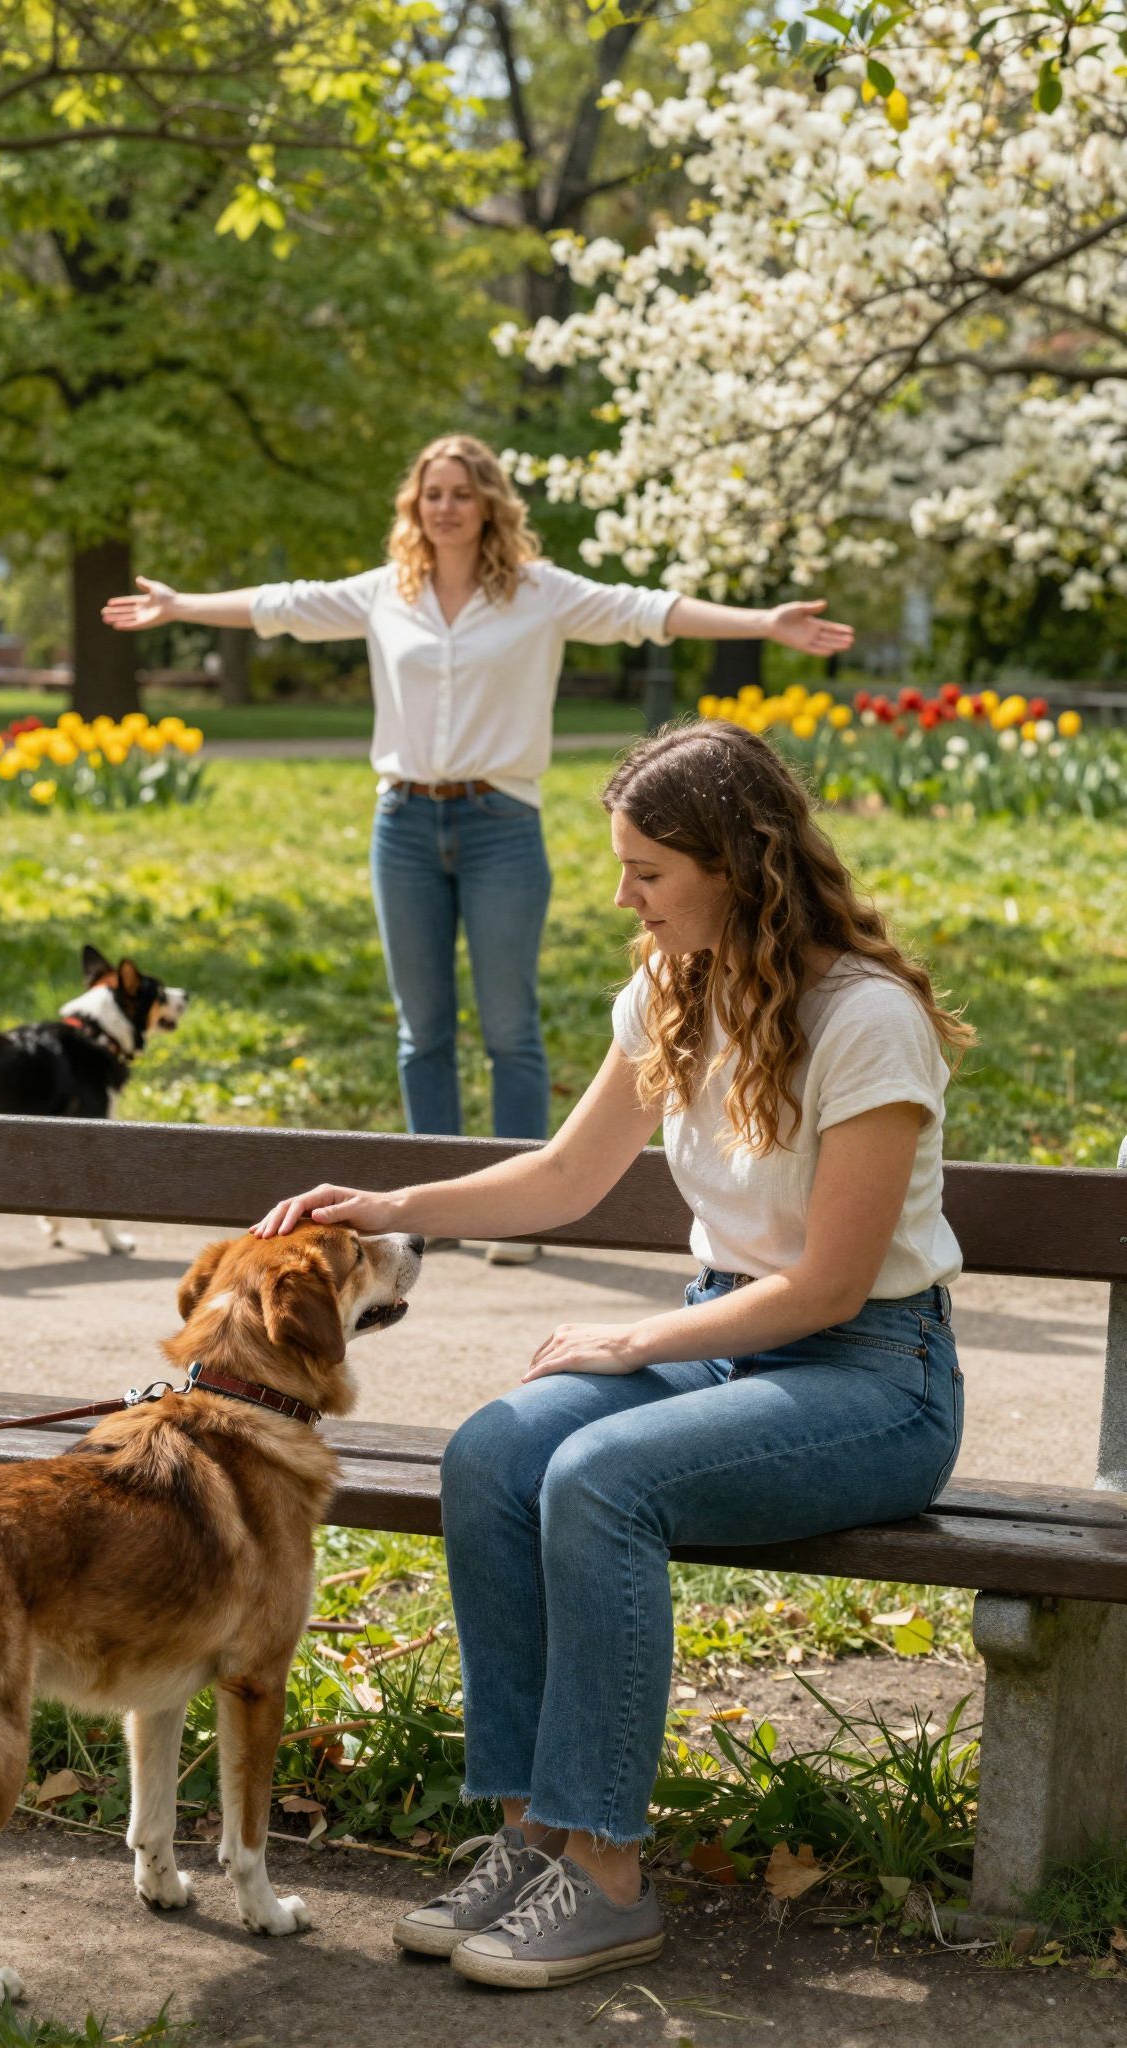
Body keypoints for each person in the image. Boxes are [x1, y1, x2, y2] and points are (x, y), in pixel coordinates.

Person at [253, 720, 971, 1989]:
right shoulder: (672, 988)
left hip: (872, 1376)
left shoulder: (867, 1020)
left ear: (737, 865)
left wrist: (636, 1335)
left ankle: (610, 1874)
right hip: (733, 1343)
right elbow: (566, 1174)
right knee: (494, 1448)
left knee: (599, 1474)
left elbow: (832, 1283)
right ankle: (532, 1833)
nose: (623, 893)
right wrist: (384, 1205)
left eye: (647, 871)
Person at [103, 433, 852, 1265]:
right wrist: (182, 606)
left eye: (462, 492)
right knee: (421, 1029)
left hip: (502, 824)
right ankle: (431, 1208)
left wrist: (762, 623)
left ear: (490, 503)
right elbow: (287, 604)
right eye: (432, 493)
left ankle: (518, 1212)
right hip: (405, 825)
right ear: (414, 507)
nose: (446, 507)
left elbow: (646, 612)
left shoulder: (539, 593)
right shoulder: (389, 593)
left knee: (509, 1025)